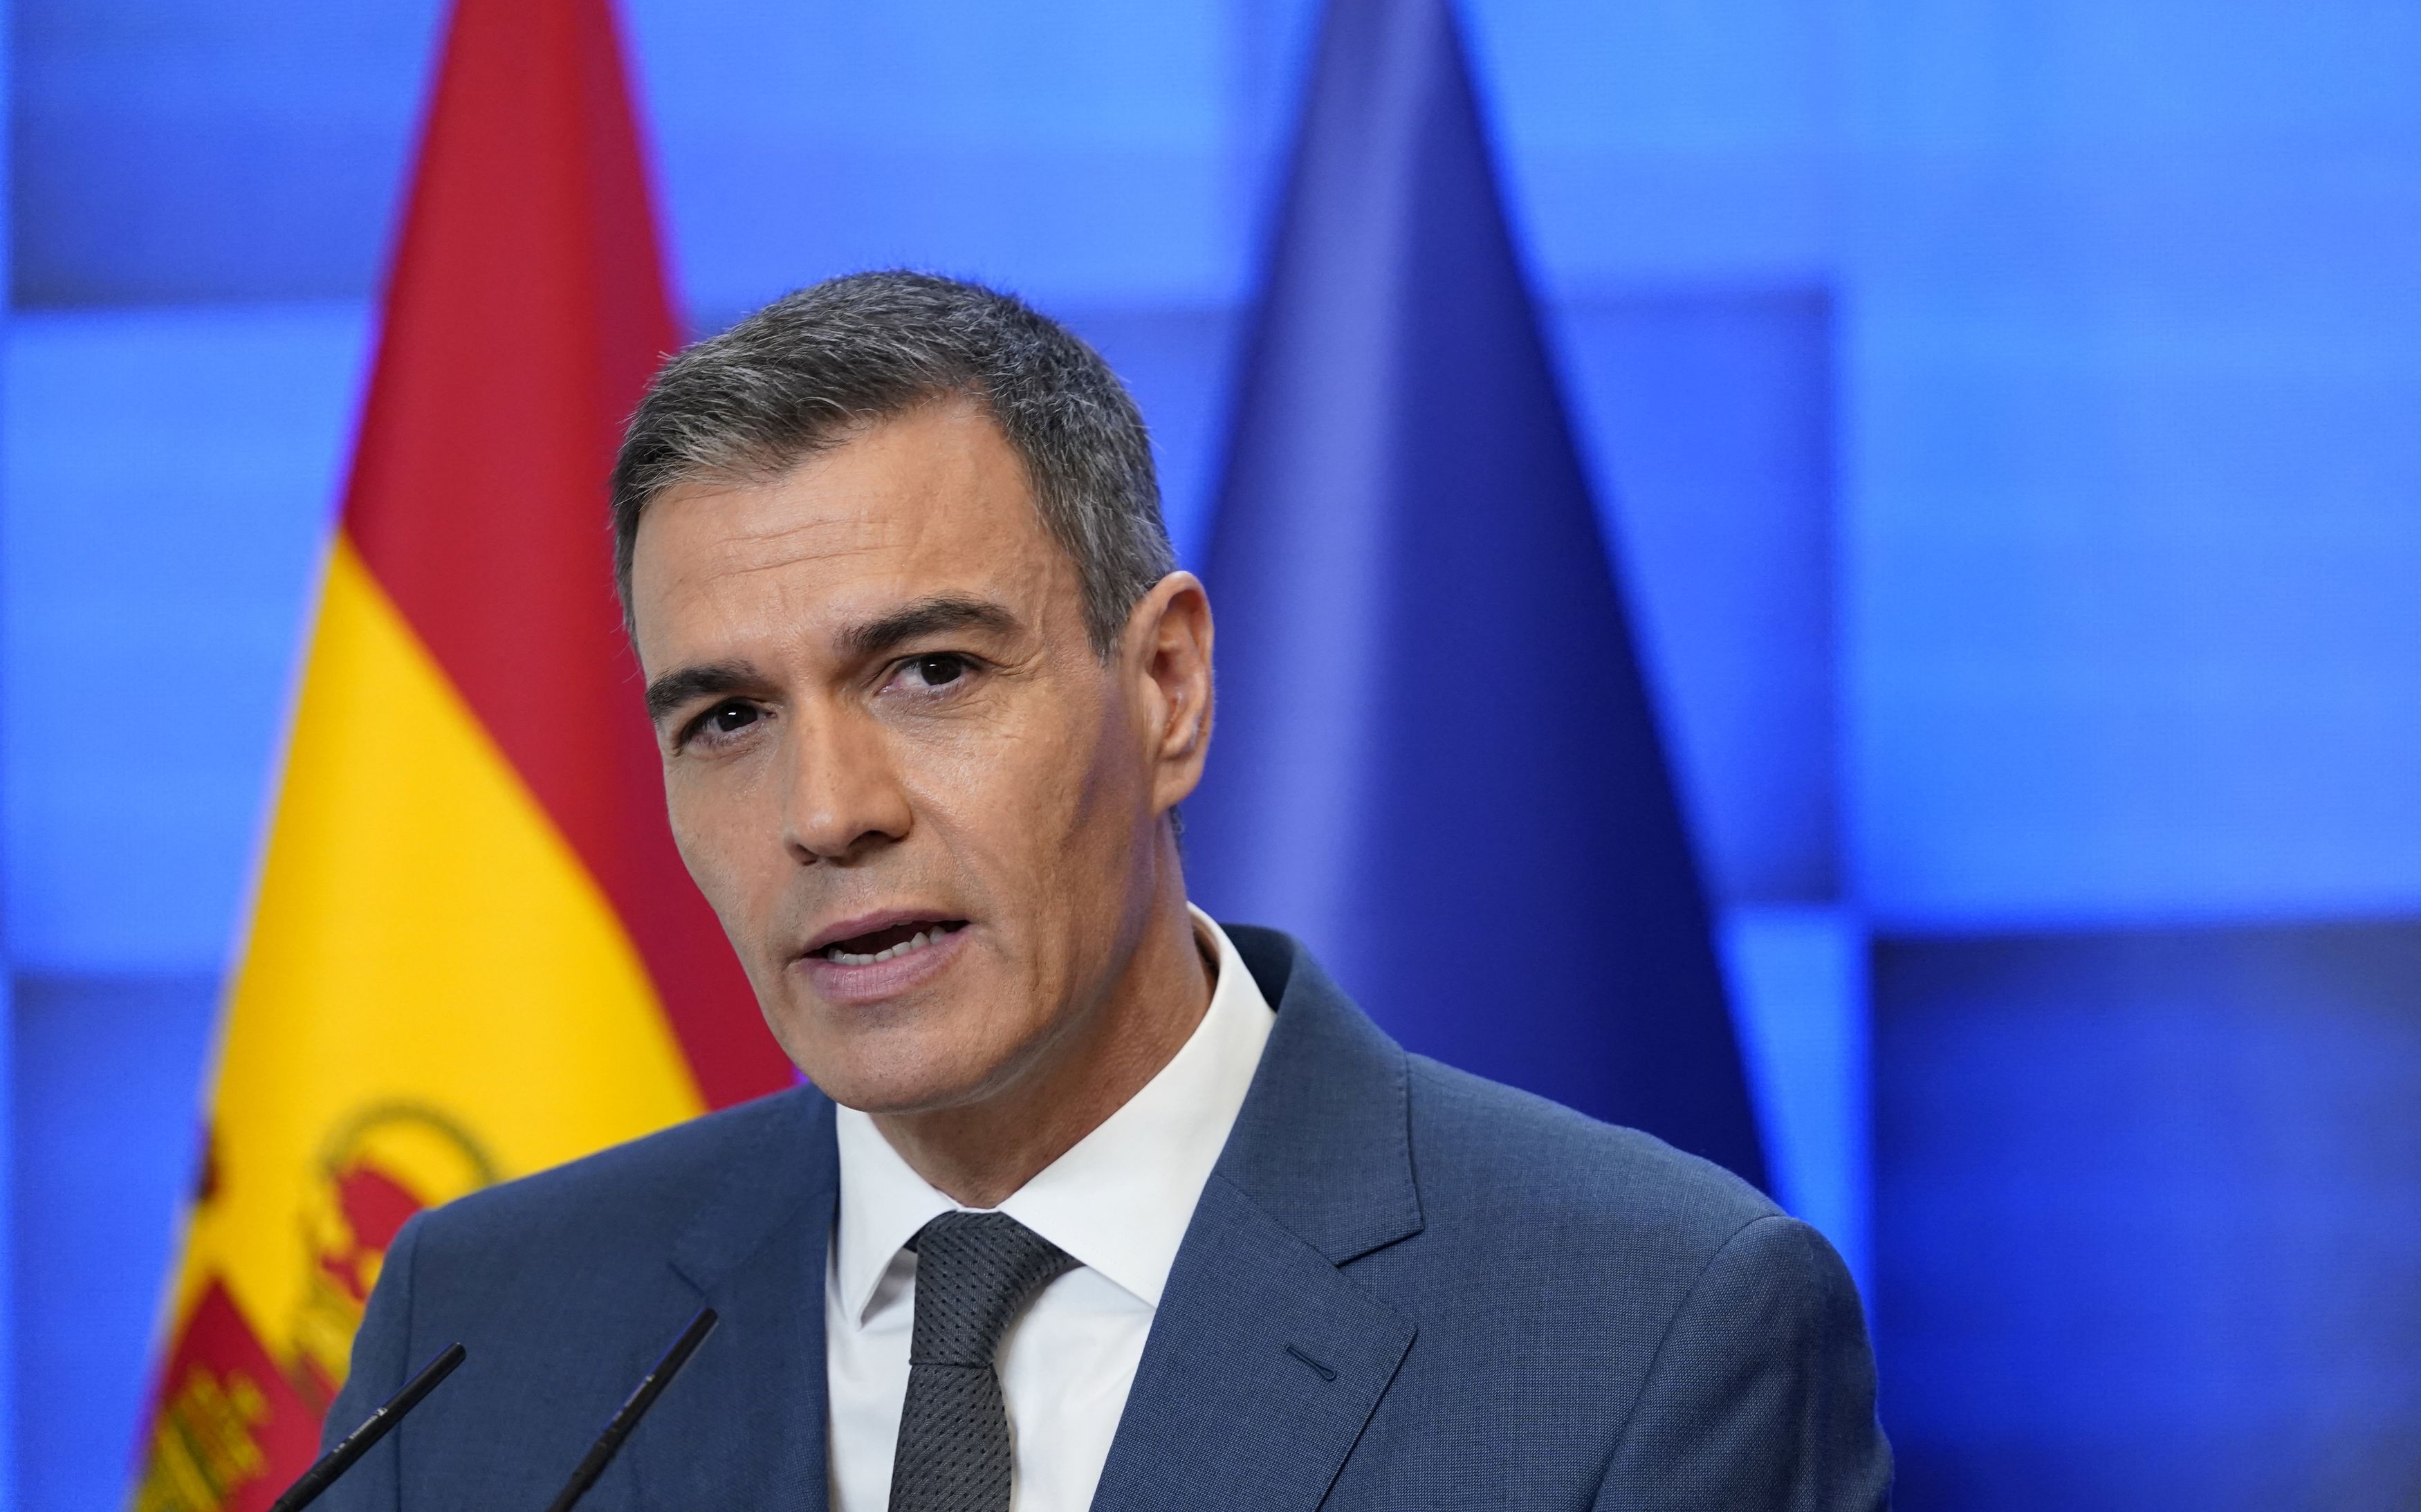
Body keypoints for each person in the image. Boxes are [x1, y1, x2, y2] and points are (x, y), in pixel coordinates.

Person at [324, 270, 1890, 1510]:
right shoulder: (484, 1329)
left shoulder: (1650, 1331)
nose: (827, 812)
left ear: (1167, 689)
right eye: (728, 718)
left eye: (933, 672)